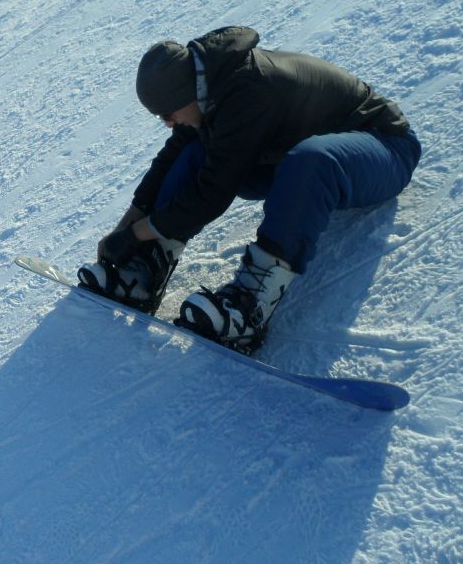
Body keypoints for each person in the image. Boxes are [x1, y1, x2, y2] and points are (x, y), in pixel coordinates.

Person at [78, 26, 421, 353]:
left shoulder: (248, 91)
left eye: (167, 114)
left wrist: (137, 233)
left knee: (311, 161)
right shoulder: (206, 87)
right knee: (194, 147)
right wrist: (128, 225)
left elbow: (211, 194)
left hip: (385, 149)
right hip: (297, 155)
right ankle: (144, 268)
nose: (167, 123)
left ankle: (252, 304)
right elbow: (173, 154)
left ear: (184, 94)